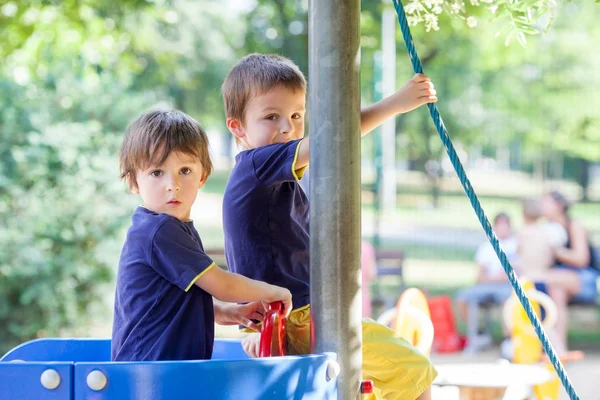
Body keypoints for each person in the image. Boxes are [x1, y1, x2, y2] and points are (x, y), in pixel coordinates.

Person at [221, 53, 438, 400]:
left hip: (287, 316)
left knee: (360, 387)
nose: (286, 127)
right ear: (238, 127)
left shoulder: (265, 173)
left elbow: (331, 141)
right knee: (415, 372)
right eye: (271, 116)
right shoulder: (258, 165)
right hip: (301, 317)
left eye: (296, 115)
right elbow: (333, 141)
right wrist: (396, 103)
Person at [111, 109, 292, 361]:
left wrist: (229, 313)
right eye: (156, 173)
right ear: (133, 182)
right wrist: (274, 292)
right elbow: (222, 284)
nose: (172, 184)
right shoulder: (160, 231)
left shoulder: (168, 228)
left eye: (184, 170)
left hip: (164, 370)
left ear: (202, 176)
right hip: (152, 373)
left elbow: (178, 302)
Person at [536, 190, 599, 355]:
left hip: (584, 278)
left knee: (538, 277)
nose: (541, 206)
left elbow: (581, 258)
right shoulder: (545, 228)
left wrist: (556, 251)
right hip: (559, 280)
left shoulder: (574, 225)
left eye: (546, 202)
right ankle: (559, 348)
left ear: (559, 206)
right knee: (556, 293)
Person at [455, 212, 518, 352]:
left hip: (506, 286)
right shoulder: (486, 247)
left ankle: (508, 338)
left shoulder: (515, 245)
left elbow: (513, 273)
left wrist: (500, 278)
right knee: (462, 298)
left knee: (508, 300)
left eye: (505, 225)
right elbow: (479, 276)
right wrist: (495, 278)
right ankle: (478, 332)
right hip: (487, 285)